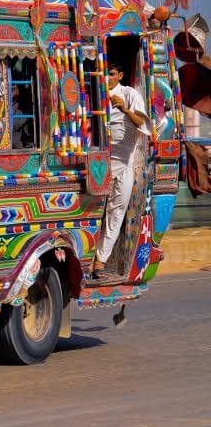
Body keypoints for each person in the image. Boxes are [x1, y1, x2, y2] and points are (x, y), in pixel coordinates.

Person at [93, 64, 150, 279]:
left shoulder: (129, 94)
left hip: (124, 162)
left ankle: (101, 260)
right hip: (101, 161)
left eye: (112, 74)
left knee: (116, 212)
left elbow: (143, 125)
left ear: (120, 75)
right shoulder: (95, 93)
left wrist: (124, 109)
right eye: (105, 73)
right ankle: (89, 257)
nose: (108, 78)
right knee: (94, 207)